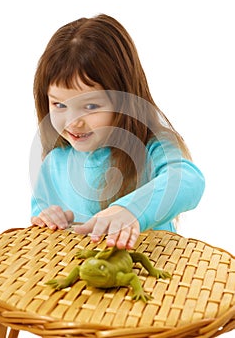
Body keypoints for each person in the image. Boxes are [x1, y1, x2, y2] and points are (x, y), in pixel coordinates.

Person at [31, 13, 205, 249]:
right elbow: (41, 216)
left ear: (124, 99)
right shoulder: (54, 163)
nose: (74, 122)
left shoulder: (152, 147)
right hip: (83, 283)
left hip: (155, 280)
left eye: (91, 106)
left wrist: (130, 209)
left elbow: (188, 180)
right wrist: (48, 217)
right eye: (59, 105)